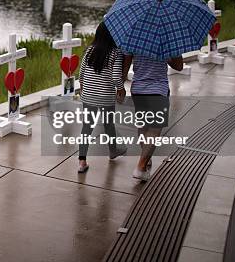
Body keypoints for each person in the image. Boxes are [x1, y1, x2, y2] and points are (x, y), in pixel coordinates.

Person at [124, 54, 183, 181]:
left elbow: (126, 61)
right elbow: (179, 66)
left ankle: (146, 157)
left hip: (138, 89)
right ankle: (140, 167)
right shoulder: (167, 38)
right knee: (154, 129)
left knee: (143, 126)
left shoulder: (135, 36)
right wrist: (167, 56)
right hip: (158, 89)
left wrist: (120, 85)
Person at [77, 22, 127, 173]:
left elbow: (81, 74)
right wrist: (121, 88)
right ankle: (112, 151)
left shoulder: (89, 50)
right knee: (108, 125)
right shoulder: (115, 52)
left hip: (89, 96)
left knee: (86, 128)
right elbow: (116, 76)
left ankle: (82, 162)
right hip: (105, 97)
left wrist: (83, 87)